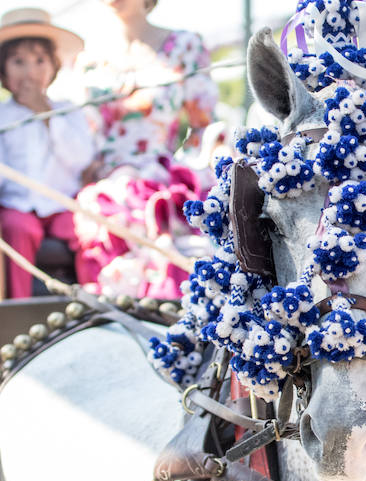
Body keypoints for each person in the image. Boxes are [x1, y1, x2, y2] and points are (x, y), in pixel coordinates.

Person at [73, 0, 218, 298]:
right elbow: (83, 134)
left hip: (161, 170)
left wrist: (191, 175)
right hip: (104, 179)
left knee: (159, 212)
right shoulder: (89, 59)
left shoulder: (184, 46)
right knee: (105, 210)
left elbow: (202, 129)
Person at [0, 8, 95, 299]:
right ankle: (20, 306)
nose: (30, 71)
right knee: (17, 228)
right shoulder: (3, 117)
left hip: (62, 203)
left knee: (89, 229)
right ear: (3, 71)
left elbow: (80, 158)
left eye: (39, 61)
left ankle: (95, 300)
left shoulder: (68, 110)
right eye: (18, 62)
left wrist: (47, 115)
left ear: (53, 67)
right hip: (19, 204)